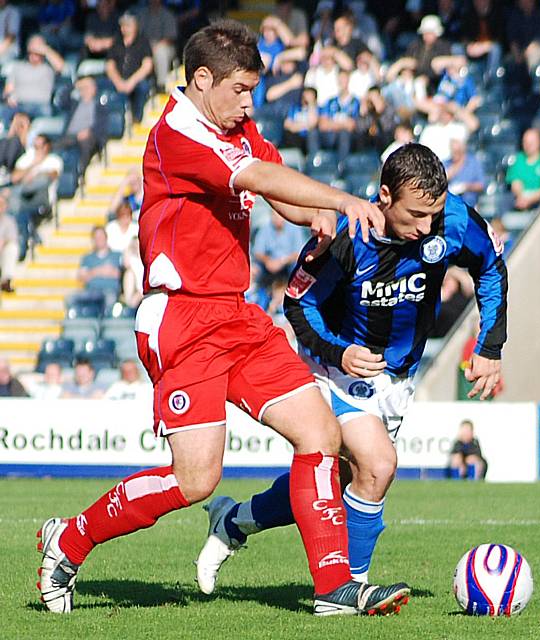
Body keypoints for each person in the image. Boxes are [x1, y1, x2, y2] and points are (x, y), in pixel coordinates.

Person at [37, 19, 407, 618]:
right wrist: (339, 198)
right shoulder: (179, 133)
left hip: (236, 315)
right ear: (202, 79)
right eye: (240, 89)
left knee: (321, 434)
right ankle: (69, 539)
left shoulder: (234, 124)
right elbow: (255, 175)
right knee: (196, 480)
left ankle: (334, 588)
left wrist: (310, 213)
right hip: (181, 319)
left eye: (253, 90)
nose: (249, 102)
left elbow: (271, 185)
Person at [194, 143, 507, 593]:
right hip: (337, 369)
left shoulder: (453, 221)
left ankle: (235, 521)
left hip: (398, 376)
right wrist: (339, 352)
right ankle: (349, 589)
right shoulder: (345, 235)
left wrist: (491, 345)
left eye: (432, 214)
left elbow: (491, 267)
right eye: (415, 214)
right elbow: (299, 305)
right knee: (379, 465)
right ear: (384, 196)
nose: (425, 227)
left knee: (339, 480)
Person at [52, 75, 108, 176]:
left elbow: (102, 125)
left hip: (89, 136)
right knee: (53, 146)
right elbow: (61, 100)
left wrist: (89, 131)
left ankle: (81, 173)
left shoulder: (100, 106)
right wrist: (74, 85)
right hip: (70, 136)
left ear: (94, 88)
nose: (84, 90)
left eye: (87, 87)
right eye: (82, 88)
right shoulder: (74, 103)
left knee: (86, 141)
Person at [105, 12, 154, 124]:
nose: (124, 28)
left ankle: (137, 120)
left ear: (135, 26)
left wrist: (131, 82)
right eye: (122, 25)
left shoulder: (143, 42)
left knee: (143, 87)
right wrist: (118, 82)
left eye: (127, 25)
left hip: (136, 80)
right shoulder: (116, 42)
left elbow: (147, 65)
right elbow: (110, 65)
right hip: (118, 80)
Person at [2, 34, 64, 119]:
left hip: (40, 106)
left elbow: (62, 67)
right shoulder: (18, 66)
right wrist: (8, 98)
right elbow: (8, 90)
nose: (35, 48)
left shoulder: (48, 68)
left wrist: (45, 50)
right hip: (18, 105)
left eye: (38, 45)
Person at [505, 128, 540, 211]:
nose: (528, 145)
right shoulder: (518, 159)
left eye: (532, 142)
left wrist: (529, 200)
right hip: (520, 202)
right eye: (525, 142)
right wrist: (522, 198)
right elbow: (515, 184)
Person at [77, 225, 122, 307]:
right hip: (91, 292)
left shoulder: (117, 256)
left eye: (101, 236)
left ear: (106, 237)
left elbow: (120, 275)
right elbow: (82, 277)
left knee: (109, 299)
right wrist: (101, 270)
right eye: (96, 237)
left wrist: (92, 273)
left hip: (110, 291)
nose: (99, 239)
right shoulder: (87, 258)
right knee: (72, 299)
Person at [444, 134, 486, 208]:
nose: (455, 154)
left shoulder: (474, 163)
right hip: (449, 204)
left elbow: (481, 185)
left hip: (469, 204)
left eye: (458, 151)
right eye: (453, 151)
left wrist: (466, 187)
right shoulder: (446, 163)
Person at [0, 191, 18, 292]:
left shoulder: (9, 221)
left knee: (12, 248)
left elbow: (12, 238)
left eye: (1, 204)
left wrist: (3, 242)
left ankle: (6, 281)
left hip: (3, 251)